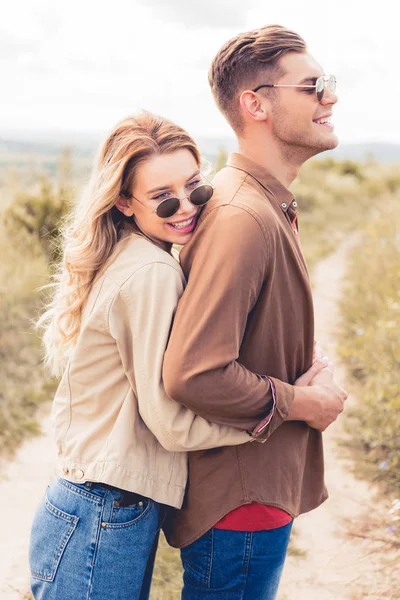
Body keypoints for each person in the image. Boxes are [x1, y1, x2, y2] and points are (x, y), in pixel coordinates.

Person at [28, 112, 255, 600]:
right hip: (103, 511)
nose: (185, 206)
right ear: (125, 203)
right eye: (162, 196)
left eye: (194, 185)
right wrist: (270, 417)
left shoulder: (137, 254)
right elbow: (170, 422)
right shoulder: (152, 272)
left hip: (97, 505)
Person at [162, 24, 348, 599]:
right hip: (242, 502)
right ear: (256, 103)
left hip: (254, 493)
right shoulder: (244, 217)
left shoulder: (263, 204)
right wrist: (304, 402)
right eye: (315, 86)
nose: (331, 97)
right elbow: (194, 371)